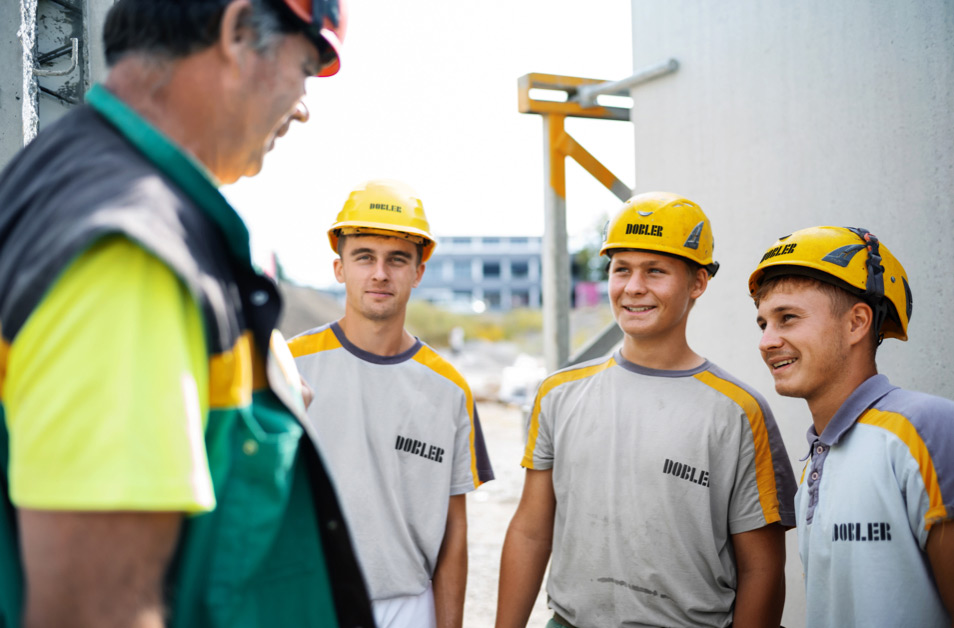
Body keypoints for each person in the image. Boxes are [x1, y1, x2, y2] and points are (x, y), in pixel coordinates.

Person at [0, 1, 375, 626]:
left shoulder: (61, 176)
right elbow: (98, 610)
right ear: (235, 33)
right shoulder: (130, 253)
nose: (303, 105)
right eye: (305, 66)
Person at [496, 191, 797, 628]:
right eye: (622, 270)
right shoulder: (559, 394)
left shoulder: (736, 412)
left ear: (697, 283)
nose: (634, 287)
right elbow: (530, 531)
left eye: (655, 271)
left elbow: (762, 568)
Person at [289, 179, 495, 628]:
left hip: (407, 606)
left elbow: (453, 530)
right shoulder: (289, 367)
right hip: (309, 598)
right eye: (364, 257)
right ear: (340, 267)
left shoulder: (449, 388)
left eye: (397, 259)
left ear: (418, 272)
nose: (380, 273)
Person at [749, 225, 954, 627]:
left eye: (787, 318)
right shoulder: (815, 459)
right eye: (763, 324)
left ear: (857, 323)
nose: (766, 341)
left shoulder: (927, 428)